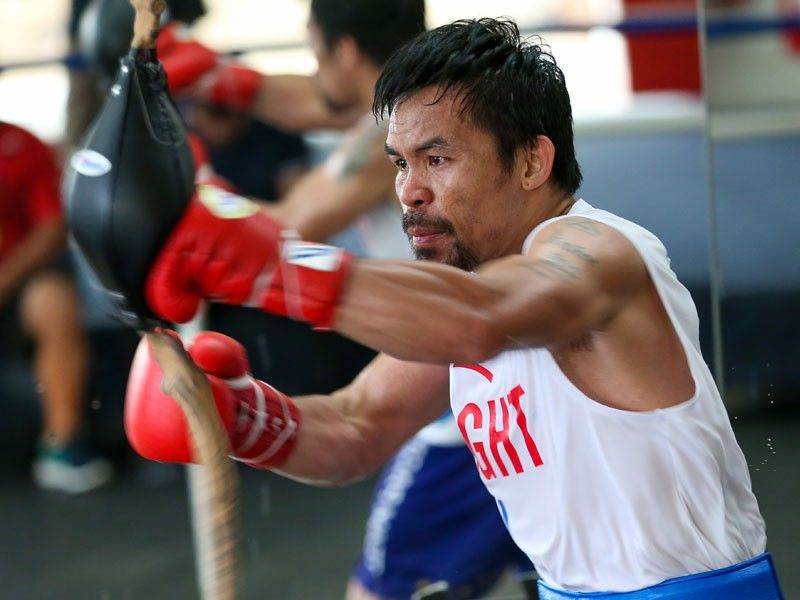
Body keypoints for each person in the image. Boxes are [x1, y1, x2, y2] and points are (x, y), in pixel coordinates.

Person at [120, 16, 781, 599]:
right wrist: (241, 420)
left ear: (531, 161)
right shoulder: (471, 289)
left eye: (437, 159)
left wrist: (262, 262)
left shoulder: (595, 253)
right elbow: (356, 425)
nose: (409, 190)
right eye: (400, 163)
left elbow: (483, 318)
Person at [156, 3, 534, 597]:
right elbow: (310, 99)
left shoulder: (384, 138)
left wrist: (199, 193)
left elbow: (285, 228)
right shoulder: (443, 105)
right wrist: (211, 78)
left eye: (316, 52)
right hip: (482, 354)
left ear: (349, 52)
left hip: (482, 381)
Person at [0, 120, 112, 493]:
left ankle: (62, 445)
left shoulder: (21, 145)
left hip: (15, 283)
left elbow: (50, 227)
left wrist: (4, 280)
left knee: (55, 301)